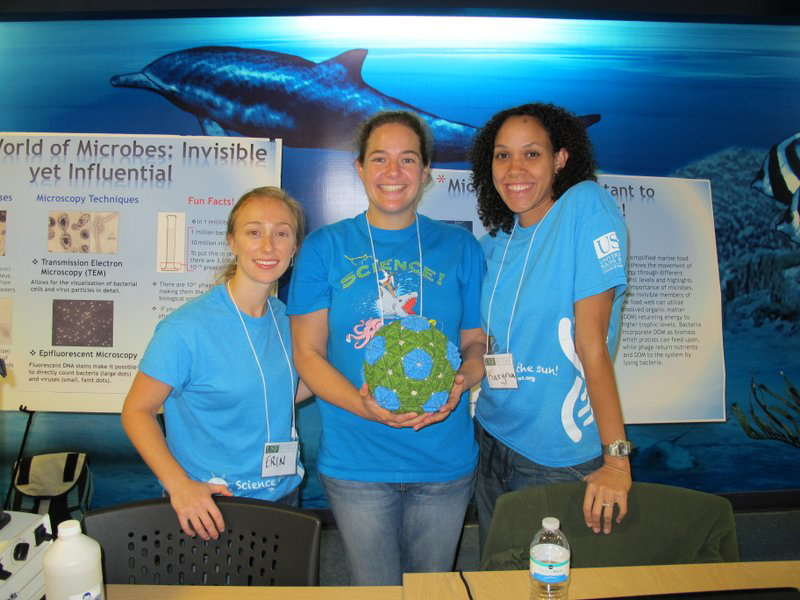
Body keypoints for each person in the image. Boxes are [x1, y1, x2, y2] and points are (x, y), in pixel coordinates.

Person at [288, 110, 486, 586]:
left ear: (426, 172)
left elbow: (475, 342)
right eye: (379, 159)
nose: (392, 173)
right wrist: (363, 404)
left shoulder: (460, 247)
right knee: (375, 589)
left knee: (432, 588)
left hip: (444, 461)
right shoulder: (324, 248)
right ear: (358, 167)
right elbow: (308, 355)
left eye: (407, 159)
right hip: (358, 462)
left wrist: (462, 383)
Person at [469, 102, 631, 549]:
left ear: (561, 158)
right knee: (496, 573)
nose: (514, 168)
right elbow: (482, 342)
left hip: (554, 452)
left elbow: (590, 344)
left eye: (532, 154)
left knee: (546, 585)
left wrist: (617, 460)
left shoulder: (584, 205)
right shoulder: (493, 244)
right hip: (491, 435)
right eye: (502, 155)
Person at [121, 186, 309, 541]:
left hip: (283, 495)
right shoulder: (185, 328)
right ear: (232, 242)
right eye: (254, 232)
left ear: (295, 247)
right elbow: (136, 411)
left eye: (281, 233)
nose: (268, 246)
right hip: (212, 505)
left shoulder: (289, 320)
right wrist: (179, 486)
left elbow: (281, 391)